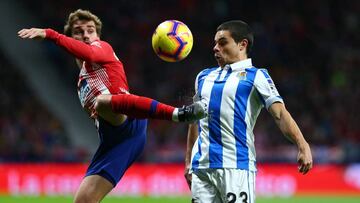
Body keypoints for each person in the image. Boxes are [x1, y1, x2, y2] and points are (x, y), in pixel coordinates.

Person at [18, 9, 206, 203]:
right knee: (83, 201)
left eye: (90, 30)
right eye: (78, 31)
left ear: (97, 35)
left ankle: (179, 114)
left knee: (102, 102)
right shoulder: (81, 79)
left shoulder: (101, 48)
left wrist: (51, 34)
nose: (85, 35)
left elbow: (89, 53)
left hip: (129, 122)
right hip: (111, 140)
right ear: (71, 38)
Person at [184, 20, 313, 203]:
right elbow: (194, 119)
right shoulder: (203, 76)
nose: (215, 48)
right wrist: (188, 161)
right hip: (202, 168)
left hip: (236, 167)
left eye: (222, 43)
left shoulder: (257, 76)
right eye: (215, 43)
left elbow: (280, 114)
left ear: (242, 44)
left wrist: (303, 145)